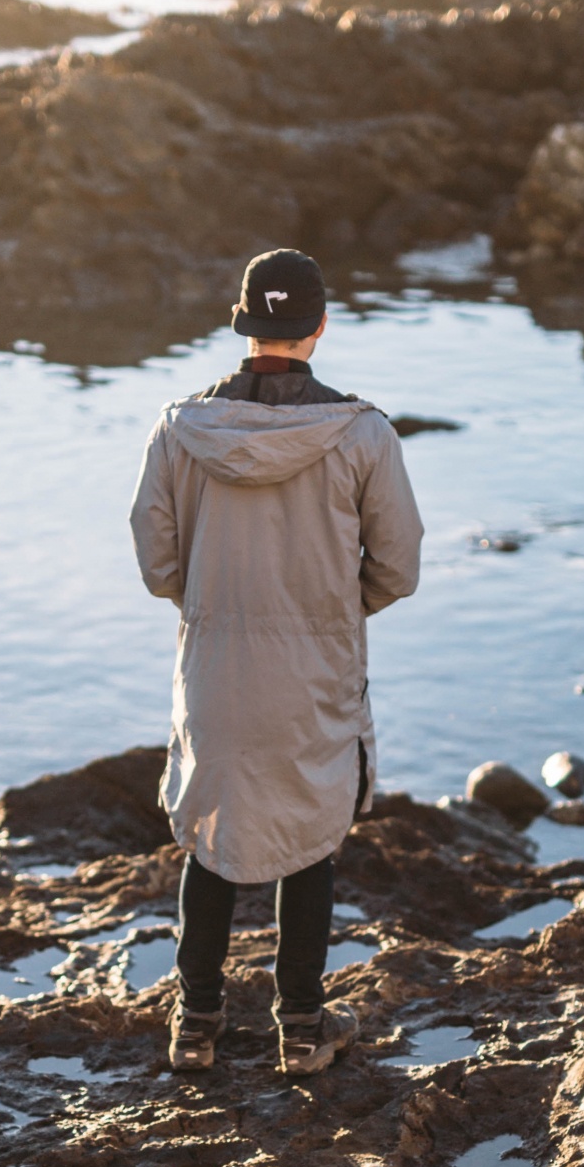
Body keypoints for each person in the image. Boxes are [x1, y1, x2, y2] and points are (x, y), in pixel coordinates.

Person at [130, 246, 422, 1076]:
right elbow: (399, 566)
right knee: (309, 839)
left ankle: (195, 1025)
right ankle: (301, 1029)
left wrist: (224, 605)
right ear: (319, 328)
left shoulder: (181, 429)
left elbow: (157, 566)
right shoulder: (362, 433)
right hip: (316, 672)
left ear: (243, 324)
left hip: (215, 667)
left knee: (212, 839)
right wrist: (325, 609)